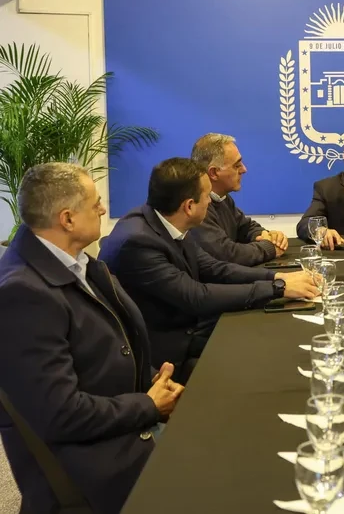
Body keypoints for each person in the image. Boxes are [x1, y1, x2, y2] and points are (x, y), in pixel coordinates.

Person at [0, 163, 184, 514]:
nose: (102, 209)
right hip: (92, 471)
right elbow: (61, 413)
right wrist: (148, 405)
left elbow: (103, 353)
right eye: (95, 202)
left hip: (122, 429)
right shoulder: (22, 294)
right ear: (67, 219)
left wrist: (153, 384)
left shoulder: (76, 263)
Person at [100, 158, 318, 383]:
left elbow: (214, 268)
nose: (210, 202)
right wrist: (277, 288)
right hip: (166, 356)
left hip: (190, 328)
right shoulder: (138, 242)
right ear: (189, 206)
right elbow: (196, 296)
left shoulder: (165, 220)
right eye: (207, 196)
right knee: (261, 361)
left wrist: (277, 276)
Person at [189, 133, 288, 266]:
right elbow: (226, 254)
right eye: (236, 166)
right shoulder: (196, 206)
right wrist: (269, 248)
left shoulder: (223, 198)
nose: (244, 169)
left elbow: (245, 228)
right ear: (214, 173)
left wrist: (267, 236)